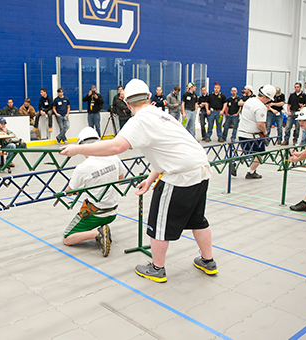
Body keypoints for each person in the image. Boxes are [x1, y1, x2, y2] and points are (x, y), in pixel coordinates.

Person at [60, 79, 217, 283]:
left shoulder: (139, 121)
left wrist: (78, 149)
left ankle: (157, 268)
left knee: (158, 225)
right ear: (150, 97)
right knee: (198, 220)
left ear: (126, 104)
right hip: (201, 170)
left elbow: (116, 147)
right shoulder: (161, 114)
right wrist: (151, 179)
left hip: (180, 176)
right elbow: (167, 151)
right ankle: (208, 261)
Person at [62, 127, 124, 257]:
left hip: (96, 214)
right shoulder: (113, 156)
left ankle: (97, 233)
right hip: (112, 212)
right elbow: (121, 179)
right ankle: (102, 229)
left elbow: (68, 192)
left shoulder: (83, 167)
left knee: (67, 238)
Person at [238, 85, 276, 179]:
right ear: (265, 97)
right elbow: (260, 124)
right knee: (260, 153)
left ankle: (235, 163)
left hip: (242, 132)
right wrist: (265, 132)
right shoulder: (260, 106)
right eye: (269, 99)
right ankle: (251, 172)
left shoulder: (250, 100)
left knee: (246, 151)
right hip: (252, 135)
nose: (269, 101)